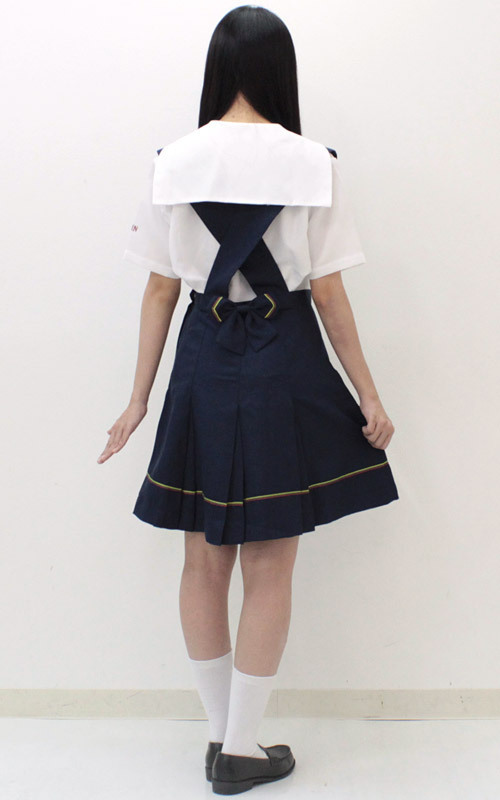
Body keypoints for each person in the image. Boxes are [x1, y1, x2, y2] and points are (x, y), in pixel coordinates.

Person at [98, 5, 399, 794]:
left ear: (218, 68)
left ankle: (220, 737)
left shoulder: (172, 161)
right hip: (283, 358)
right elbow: (327, 295)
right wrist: (368, 394)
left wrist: (138, 399)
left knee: (204, 557)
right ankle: (241, 747)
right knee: (270, 559)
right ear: (279, 71)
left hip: (202, 357)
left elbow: (161, 290)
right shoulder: (314, 163)